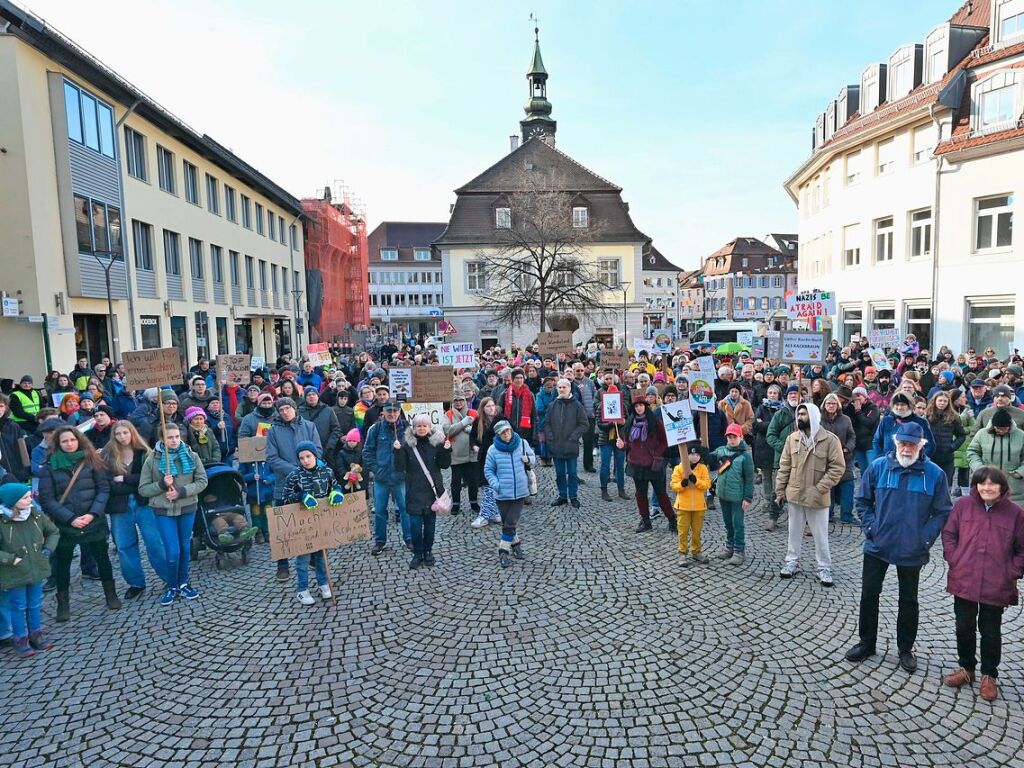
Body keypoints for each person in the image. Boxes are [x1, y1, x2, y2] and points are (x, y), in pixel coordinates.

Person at [846, 421, 952, 672]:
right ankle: (866, 642)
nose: (906, 449)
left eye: (912, 444)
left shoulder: (935, 474)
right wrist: (872, 528)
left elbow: (942, 512)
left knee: (909, 600)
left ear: (921, 445)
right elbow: (862, 502)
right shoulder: (879, 467)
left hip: (911, 548)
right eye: (903, 443)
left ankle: (905, 649)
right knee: (869, 595)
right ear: (896, 443)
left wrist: (924, 539)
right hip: (878, 543)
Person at [941, 466, 1024, 702]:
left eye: (992, 484)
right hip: (964, 578)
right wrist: (954, 558)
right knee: (963, 626)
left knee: (990, 630)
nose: (986, 488)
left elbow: (1022, 549)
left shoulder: (1016, 514)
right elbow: (949, 534)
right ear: (976, 485)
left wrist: (1012, 572)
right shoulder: (963, 506)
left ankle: (990, 675)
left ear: (1002, 487)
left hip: (996, 583)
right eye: (982, 483)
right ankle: (966, 668)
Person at [38, 425, 118, 622]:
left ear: (79, 440)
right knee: (62, 564)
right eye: (65, 441)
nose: (69, 444)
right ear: (58, 444)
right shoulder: (49, 467)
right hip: (66, 524)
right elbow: (47, 499)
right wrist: (70, 519)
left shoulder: (92, 461)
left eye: (72, 440)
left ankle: (111, 594)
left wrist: (92, 514)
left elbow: (103, 489)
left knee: (102, 558)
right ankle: (62, 603)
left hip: (92, 520)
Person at [139, 422, 209, 607]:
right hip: (163, 510)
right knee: (173, 550)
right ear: (162, 439)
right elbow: (143, 489)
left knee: (185, 547)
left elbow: (202, 481)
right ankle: (172, 585)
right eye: (170, 437)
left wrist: (182, 491)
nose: (174, 440)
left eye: (177, 437)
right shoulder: (151, 459)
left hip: (187, 507)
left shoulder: (191, 456)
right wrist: (162, 485)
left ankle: (184, 582)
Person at [775, 403, 845, 586]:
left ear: (813, 416)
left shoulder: (830, 440)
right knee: (794, 532)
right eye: (799, 414)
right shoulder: (792, 439)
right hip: (795, 493)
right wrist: (780, 490)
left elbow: (837, 468)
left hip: (817, 496)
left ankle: (824, 567)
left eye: (804, 414)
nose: (800, 417)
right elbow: (784, 467)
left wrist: (821, 487)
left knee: (820, 534)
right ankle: (792, 561)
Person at [100, 420, 165, 600]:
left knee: (155, 542)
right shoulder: (107, 455)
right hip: (119, 506)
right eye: (118, 434)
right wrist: (133, 483)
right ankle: (135, 583)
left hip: (144, 503)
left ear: (132, 433)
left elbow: (150, 478)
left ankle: (169, 577)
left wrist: (126, 480)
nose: (122, 437)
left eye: (125, 433)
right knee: (124, 546)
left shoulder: (144, 453)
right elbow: (108, 482)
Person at [265, 397, 321, 581]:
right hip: (284, 483)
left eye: (287, 408)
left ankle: (313, 556)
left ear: (295, 409)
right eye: (281, 410)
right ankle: (282, 565)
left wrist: (307, 467)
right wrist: (296, 470)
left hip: (308, 482)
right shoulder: (273, 431)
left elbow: (317, 451)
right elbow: (272, 459)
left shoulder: (309, 426)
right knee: (282, 525)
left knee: (309, 520)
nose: (285, 412)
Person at [0, 483, 59, 657]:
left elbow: (53, 531)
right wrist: (11, 559)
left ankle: (36, 636)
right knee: (18, 606)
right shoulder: (3, 521)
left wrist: (47, 550)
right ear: (12, 501)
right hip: (14, 571)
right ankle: (20, 640)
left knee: (34, 603)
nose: (30, 499)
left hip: (36, 567)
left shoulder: (35, 514)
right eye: (25, 498)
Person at [281, 441, 342, 604]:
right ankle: (302, 589)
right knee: (303, 558)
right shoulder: (295, 475)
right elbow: (285, 496)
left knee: (321, 555)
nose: (305, 461)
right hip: (303, 524)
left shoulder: (327, 472)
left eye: (308, 456)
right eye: (301, 458)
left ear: (315, 455)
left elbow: (335, 486)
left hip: (321, 521)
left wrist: (337, 492)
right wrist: (301, 497)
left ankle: (323, 584)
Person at [392, 413, 451, 569]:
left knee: (430, 525)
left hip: (432, 492)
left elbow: (444, 465)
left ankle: (428, 552)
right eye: (419, 426)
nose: (422, 428)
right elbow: (400, 467)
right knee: (415, 527)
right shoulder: (407, 445)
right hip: (414, 490)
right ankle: (418, 554)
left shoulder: (437, 443)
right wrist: (397, 452)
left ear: (429, 427)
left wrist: (446, 450)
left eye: (425, 425)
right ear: (414, 428)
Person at [483, 419, 536, 568]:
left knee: (510, 523)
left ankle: (503, 551)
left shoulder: (522, 443)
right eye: (503, 432)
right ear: (498, 434)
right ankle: (516, 546)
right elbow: (488, 470)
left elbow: (533, 459)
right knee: (508, 524)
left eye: (508, 431)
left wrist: (528, 460)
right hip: (502, 493)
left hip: (520, 492)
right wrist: (496, 484)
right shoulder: (493, 450)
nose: (506, 434)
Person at [363, 401, 410, 555]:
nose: (392, 414)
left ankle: (408, 538)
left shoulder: (407, 428)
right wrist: (376, 470)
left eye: (395, 411)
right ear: (383, 412)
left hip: (401, 477)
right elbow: (367, 452)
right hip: (382, 478)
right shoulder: (376, 429)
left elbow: (414, 450)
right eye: (388, 411)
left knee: (405, 510)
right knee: (380, 511)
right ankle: (380, 541)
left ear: (399, 412)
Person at [711, 423, 755, 564]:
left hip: (737, 497)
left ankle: (738, 550)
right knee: (728, 523)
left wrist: (747, 497)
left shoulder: (745, 457)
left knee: (737, 524)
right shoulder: (721, 451)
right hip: (723, 495)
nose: (731, 440)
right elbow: (709, 458)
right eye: (729, 437)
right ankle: (729, 547)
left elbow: (749, 479)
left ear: (741, 437)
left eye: (734, 437)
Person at [545, 378, 589, 509]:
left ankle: (573, 496)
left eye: (564, 387)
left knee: (572, 473)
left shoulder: (577, 405)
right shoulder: (552, 405)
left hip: (571, 445)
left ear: (569, 388)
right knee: (559, 473)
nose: (562, 389)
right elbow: (546, 423)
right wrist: (550, 436)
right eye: (559, 387)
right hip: (556, 445)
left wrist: (574, 436)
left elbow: (584, 424)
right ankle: (563, 496)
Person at [764, 383, 802, 531]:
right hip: (783, 459)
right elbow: (770, 435)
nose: (793, 396)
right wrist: (785, 448)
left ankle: (803, 521)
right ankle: (773, 518)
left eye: (796, 393)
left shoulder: (806, 413)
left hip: (802, 459)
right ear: (786, 396)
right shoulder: (780, 414)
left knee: (802, 489)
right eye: (791, 394)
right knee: (778, 489)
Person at [967, 409, 1024, 505]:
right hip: (986, 483)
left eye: (1005, 428)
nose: (1001, 431)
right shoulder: (982, 434)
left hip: (1015, 488)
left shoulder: (1021, 435)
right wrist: (980, 469)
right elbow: (972, 452)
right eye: (998, 428)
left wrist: (1020, 472)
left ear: (1010, 426)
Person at [671, 442, 711, 567]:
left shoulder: (703, 468)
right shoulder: (679, 468)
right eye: (691, 454)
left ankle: (696, 551)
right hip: (683, 506)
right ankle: (682, 553)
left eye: (697, 454)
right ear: (686, 454)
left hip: (699, 506)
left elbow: (707, 484)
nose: (694, 457)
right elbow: (673, 485)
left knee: (697, 531)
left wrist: (696, 481)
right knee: (683, 531)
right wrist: (682, 485)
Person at [820, 393, 856, 523]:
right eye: (828, 403)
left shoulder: (846, 419)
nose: (831, 406)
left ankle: (847, 516)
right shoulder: (819, 419)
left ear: (838, 405)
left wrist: (847, 448)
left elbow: (852, 436)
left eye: (834, 403)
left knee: (848, 485)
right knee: (829, 486)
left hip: (844, 457)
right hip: (825, 459)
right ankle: (828, 514)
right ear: (824, 405)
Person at [444, 392, 479, 516]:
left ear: (465, 400)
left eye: (461, 400)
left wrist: (473, 430)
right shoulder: (448, 414)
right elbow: (447, 430)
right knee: (455, 481)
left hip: (471, 453)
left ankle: (474, 502)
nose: (458, 402)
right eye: (456, 400)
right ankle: (456, 504)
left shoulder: (474, 413)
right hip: (456, 453)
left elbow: (480, 429)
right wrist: (462, 424)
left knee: (473, 480)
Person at [471, 397, 503, 529]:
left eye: (492, 405)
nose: (491, 408)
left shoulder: (501, 420)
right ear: (483, 409)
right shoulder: (479, 421)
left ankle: (486, 514)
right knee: (487, 485)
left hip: (499, 456)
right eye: (487, 406)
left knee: (493, 485)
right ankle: (491, 513)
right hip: (484, 457)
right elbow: (472, 436)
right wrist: (474, 445)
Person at [872, 393, 935, 459]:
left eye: (902, 405)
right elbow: (877, 441)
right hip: (888, 461)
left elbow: (930, 445)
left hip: (912, 463)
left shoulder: (921, 422)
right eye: (897, 404)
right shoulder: (886, 421)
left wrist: (920, 460)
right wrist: (881, 457)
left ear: (909, 406)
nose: (899, 407)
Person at [597, 372, 628, 502]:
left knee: (620, 465)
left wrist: (623, 422)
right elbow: (599, 424)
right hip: (605, 439)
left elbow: (627, 420)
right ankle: (604, 489)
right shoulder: (601, 406)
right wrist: (610, 423)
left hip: (619, 437)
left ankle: (621, 489)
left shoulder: (623, 405)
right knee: (605, 465)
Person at [925, 391, 966, 487]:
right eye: (940, 400)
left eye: (945, 401)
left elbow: (961, 435)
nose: (942, 403)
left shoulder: (954, 417)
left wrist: (952, 446)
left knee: (946, 485)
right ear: (935, 401)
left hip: (947, 457)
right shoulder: (926, 416)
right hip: (930, 456)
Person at [572, 362, 598, 473]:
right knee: (573, 442)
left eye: (582, 370)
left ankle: (588, 465)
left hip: (588, 416)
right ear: (573, 371)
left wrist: (593, 408)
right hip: (574, 417)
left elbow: (595, 396)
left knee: (588, 442)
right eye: (577, 370)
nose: (580, 372)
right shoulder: (571, 383)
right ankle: (572, 466)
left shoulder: (590, 382)